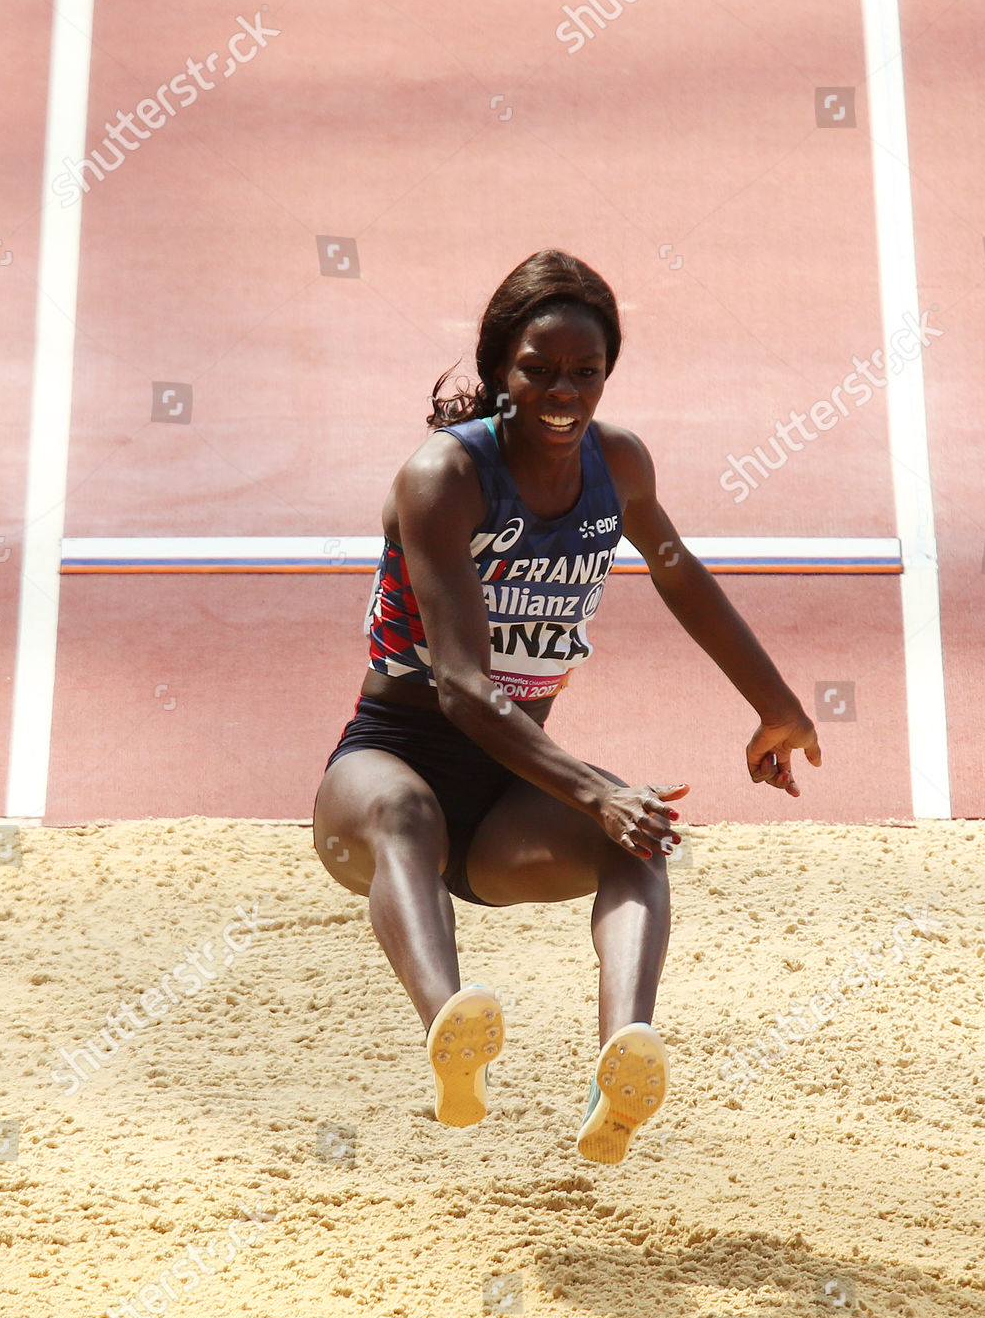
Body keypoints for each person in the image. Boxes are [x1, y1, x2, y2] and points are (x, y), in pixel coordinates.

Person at [312, 249, 821, 1164]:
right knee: (406, 811)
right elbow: (464, 691)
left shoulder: (616, 464)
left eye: (585, 373)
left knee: (641, 836)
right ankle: (452, 1034)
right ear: (497, 369)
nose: (563, 392)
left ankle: (621, 1061)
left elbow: (681, 578)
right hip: (389, 760)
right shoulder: (445, 478)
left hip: (512, 795)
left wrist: (775, 705)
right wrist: (594, 787)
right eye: (537, 370)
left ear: (607, 375)